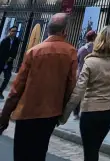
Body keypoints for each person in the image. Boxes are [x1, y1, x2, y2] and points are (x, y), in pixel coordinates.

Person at [0, 13, 77, 161]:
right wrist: (61, 111)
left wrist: (5, 115)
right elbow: (71, 86)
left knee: (21, 154)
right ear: (64, 31)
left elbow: (17, 88)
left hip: (26, 112)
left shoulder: (34, 52)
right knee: (39, 153)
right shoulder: (70, 52)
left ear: (48, 30)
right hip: (50, 114)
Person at [62, 25, 110, 161]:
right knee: (95, 147)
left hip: (90, 112)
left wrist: (64, 115)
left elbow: (78, 91)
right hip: (109, 112)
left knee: (90, 152)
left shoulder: (90, 61)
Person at [73, 29, 97, 119]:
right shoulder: (96, 49)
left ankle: (76, 113)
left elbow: (77, 61)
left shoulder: (82, 49)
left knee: (78, 95)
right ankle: (87, 112)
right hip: (92, 75)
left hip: (81, 74)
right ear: (94, 38)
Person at [0, 26, 20, 98]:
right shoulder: (5, 40)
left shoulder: (17, 41)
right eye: (13, 31)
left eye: (15, 31)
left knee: (7, 78)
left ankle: (0, 92)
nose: (14, 32)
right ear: (9, 31)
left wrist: (12, 57)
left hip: (9, 63)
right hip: (1, 61)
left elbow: (16, 51)